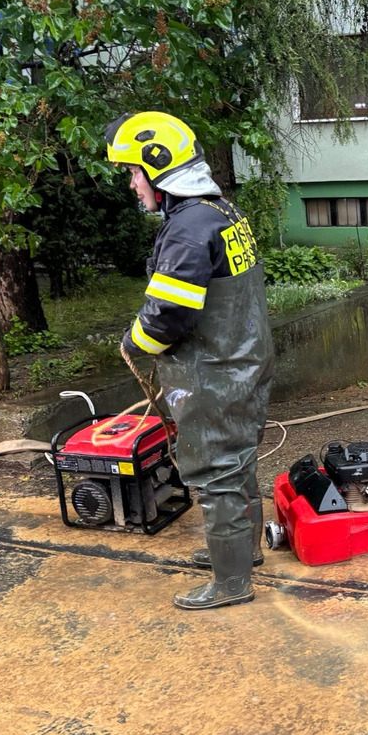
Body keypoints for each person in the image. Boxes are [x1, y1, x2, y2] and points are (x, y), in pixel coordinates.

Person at [105, 111, 274, 610]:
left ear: (159, 169)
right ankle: (245, 553)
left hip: (212, 372)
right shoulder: (223, 211)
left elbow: (167, 317)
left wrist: (133, 343)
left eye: (135, 172)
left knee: (217, 470)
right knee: (239, 459)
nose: (133, 185)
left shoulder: (186, 228)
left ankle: (231, 583)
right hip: (244, 361)